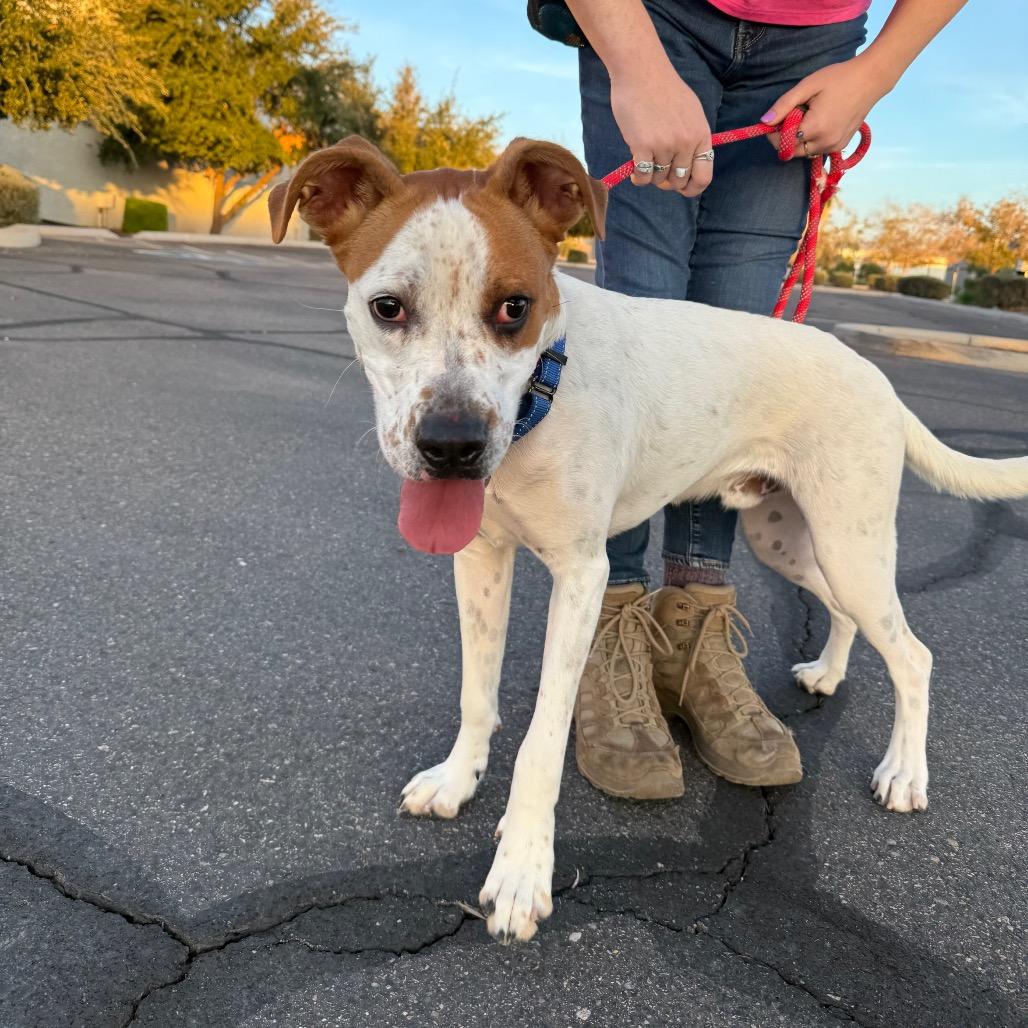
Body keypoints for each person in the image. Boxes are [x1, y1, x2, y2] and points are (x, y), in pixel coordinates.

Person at [556, 0, 969, 800]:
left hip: (811, 45)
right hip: (653, 16)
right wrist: (637, 64)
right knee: (635, 331)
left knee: (743, 362)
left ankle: (698, 630)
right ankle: (614, 632)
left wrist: (873, 73)